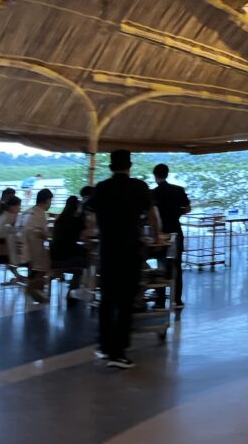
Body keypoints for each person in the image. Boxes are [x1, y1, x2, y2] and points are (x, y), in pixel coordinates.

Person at [87, 150, 154, 369]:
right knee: (126, 301)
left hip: (108, 251)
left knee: (107, 299)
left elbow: (89, 212)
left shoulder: (102, 188)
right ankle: (118, 352)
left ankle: (104, 345)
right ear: (130, 166)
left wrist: (98, 230)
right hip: (130, 250)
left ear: (110, 167)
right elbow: (152, 214)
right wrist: (154, 236)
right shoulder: (139, 187)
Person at [151, 164, 191, 310]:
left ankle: (160, 301)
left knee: (161, 266)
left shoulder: (153, 193)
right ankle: (177, 300)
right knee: (177, 265)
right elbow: (188, 208)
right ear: (167, 174)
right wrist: (178, 213)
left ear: (155, 176)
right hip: (176, 230)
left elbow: (150, 215)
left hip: (161, 233)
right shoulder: (178, 190)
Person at [17, 188, 53, 303]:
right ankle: (36, 288)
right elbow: (45, 235)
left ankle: (34, 286)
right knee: (50, 258)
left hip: (19, 249)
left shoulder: (28, 212)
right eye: (50, 201)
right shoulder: (41, 214)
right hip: (32, 252)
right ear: (46, 201)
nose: (50, 204)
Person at [50, 196, 89, 291]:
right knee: (83, 262)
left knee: (81, 252)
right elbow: (87, 234)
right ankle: (74, 290)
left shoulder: (59, 220)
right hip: (66, 257)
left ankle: (70, 283)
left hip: (53, 257)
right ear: (77, 207)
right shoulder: (76, 221)